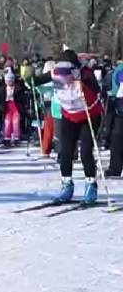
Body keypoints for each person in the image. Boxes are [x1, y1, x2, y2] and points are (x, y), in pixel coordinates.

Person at [33, 50, 104, 205]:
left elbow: (97, 89)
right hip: (69, 115)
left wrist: (83, 79)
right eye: (60, 72)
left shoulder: (85, 74)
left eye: (66, 72)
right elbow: (37, 80)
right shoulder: (56, 75)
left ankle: (91, 185)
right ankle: (67, 184)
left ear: (74, 70)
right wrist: (29, 80)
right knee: (65, 151)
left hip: (89, 115)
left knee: (85, 151)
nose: (63, 77)